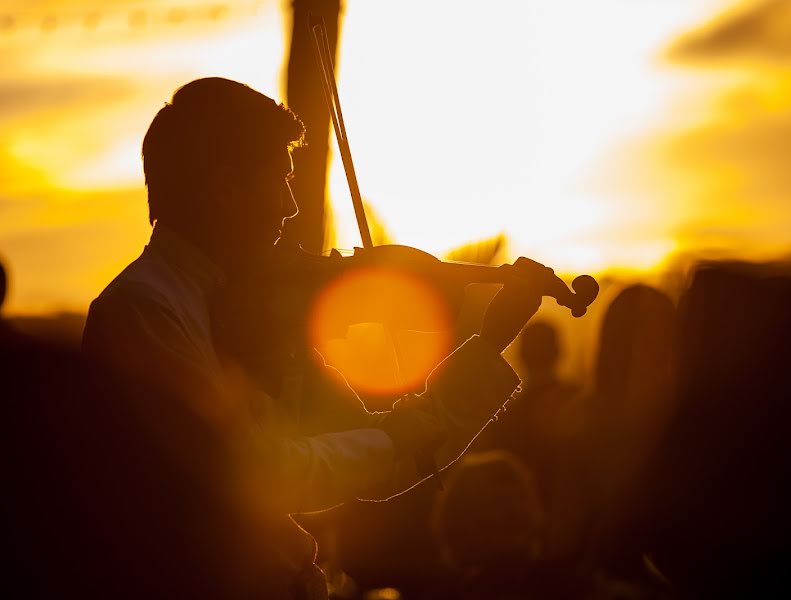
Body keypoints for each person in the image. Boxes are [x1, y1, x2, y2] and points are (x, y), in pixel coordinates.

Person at [81, 77, 543, 596]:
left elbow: (386, 465)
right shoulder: (144, 310)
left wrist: (488, 345)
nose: (290, 207)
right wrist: (398, 435)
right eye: (280, 181)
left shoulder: (259, 314)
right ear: (228, 188)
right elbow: (259, 472)